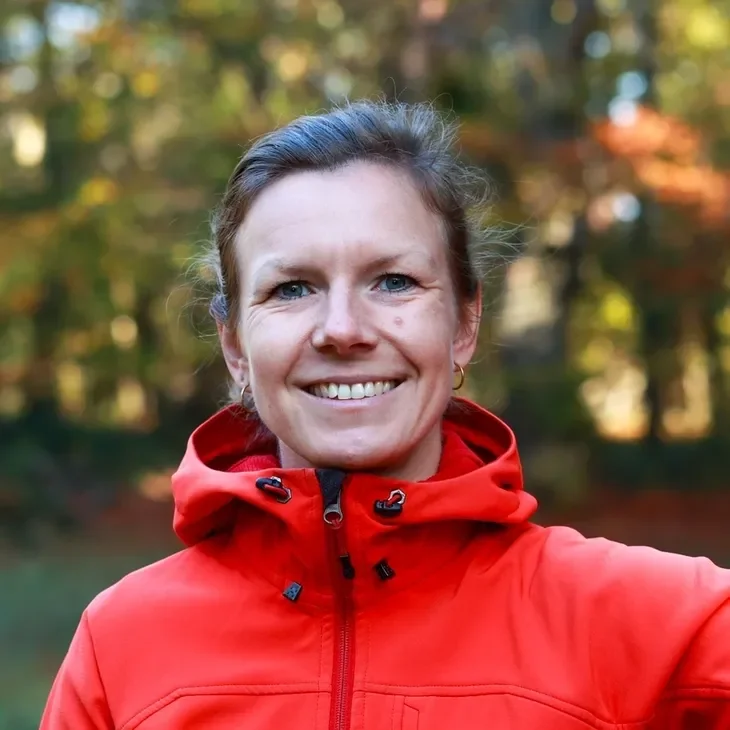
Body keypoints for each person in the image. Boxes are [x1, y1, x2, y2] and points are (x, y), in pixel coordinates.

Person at [40, 100, 730, 730]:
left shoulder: (665, 625)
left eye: (393, 281)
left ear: (463, 323)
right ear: (235, 346)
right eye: (293, 288)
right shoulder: (119, 646)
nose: (342, 329)